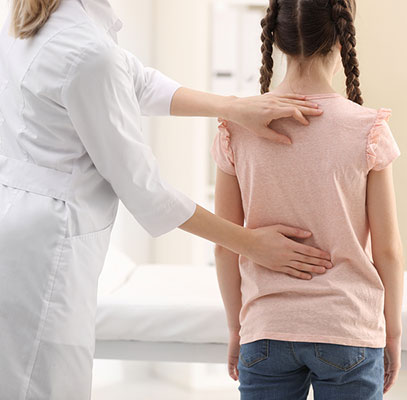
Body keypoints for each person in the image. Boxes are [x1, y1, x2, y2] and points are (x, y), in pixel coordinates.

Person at [0, 0, 335, 399]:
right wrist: (250, 244)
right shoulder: (86, 50)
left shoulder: (37, 21)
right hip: (45, 246)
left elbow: (134, 80)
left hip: (21, 224)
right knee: (44, 385)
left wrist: (233, 107)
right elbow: (146, 190)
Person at [211, 0, 405, 398]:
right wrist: (392, 333)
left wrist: (237, 328)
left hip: (265, 330)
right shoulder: (368, 129)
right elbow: (388, 251)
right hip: (347, 328)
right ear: (341, 39)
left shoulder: (237, 128)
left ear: (276, 43)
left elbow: (224, 246)